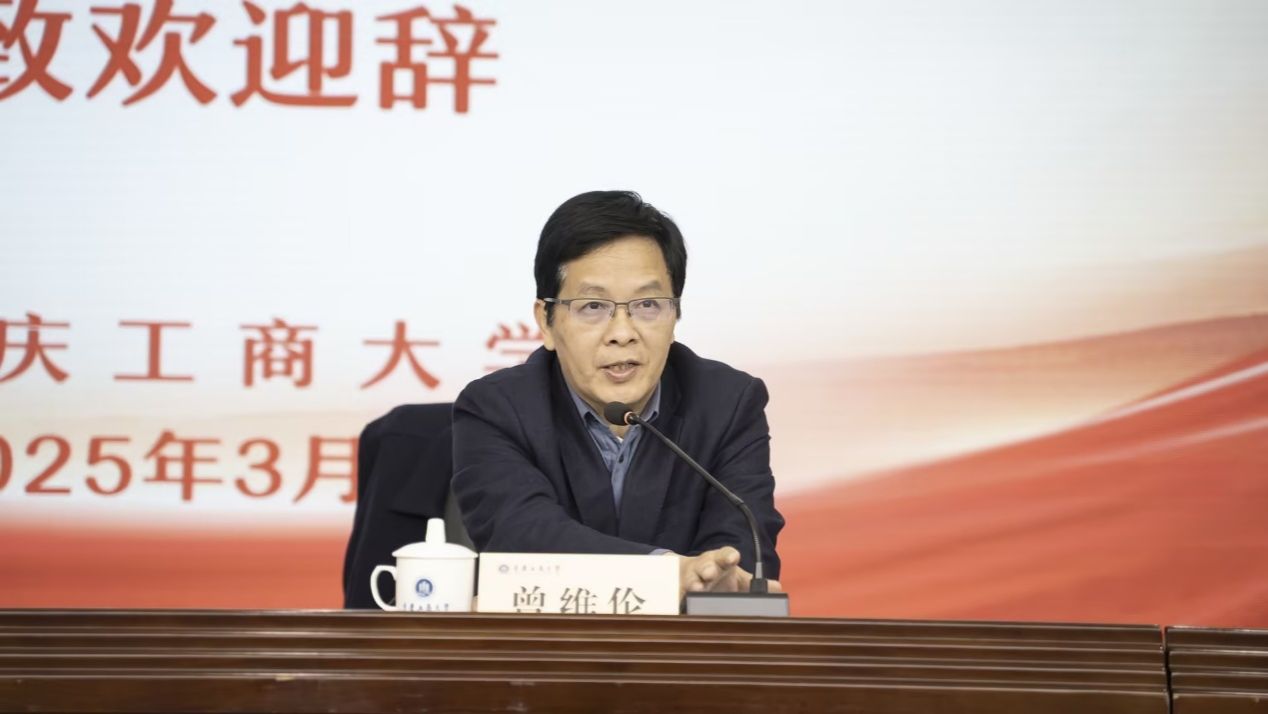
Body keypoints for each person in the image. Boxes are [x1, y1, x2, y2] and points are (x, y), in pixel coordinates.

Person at [451, 190, 784, 597]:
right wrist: (666, 573)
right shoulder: (497, 409)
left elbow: (742, 547)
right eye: (593, 307)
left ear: (675, 314)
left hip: (684, 638)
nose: (623, 333)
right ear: (546, 322)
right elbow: (522, 538)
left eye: (648, 305)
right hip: (550, 637)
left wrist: (720, 577)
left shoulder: (728, 403)